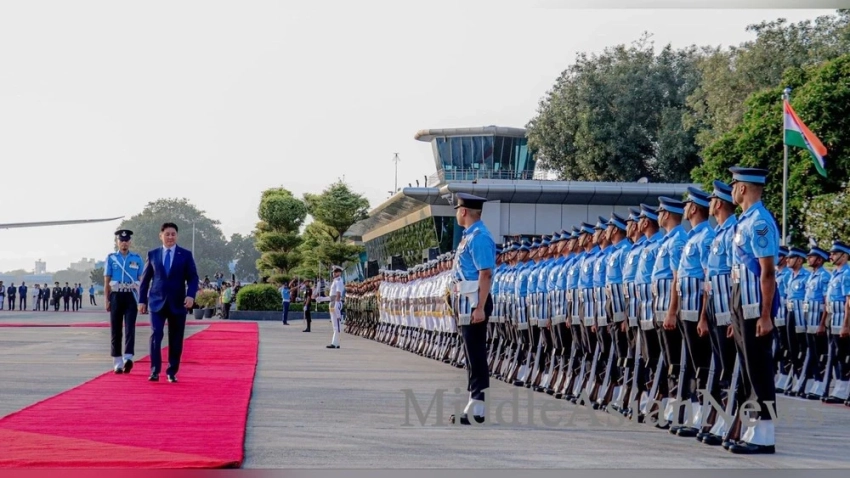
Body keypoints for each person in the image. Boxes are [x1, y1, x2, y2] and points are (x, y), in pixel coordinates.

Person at [726, 166, 779, 455]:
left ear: (743, 188)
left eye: (734, 184)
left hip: (755, 306)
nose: (732, 189)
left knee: (759, 371)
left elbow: (767, 273)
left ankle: (765, 435)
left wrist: (765, 314)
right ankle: (752, 430)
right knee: (748, 371)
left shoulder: (759, 222)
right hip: (741, 304)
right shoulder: (744, 221)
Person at [448, 193, 496, 426]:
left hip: (475, 302)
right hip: (466, 302)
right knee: (470, 355)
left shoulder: (479, 237)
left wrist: (479, 307)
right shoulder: (469, 236)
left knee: (476, 355)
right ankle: (473, 403)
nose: (457, 213)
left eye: (458, 209)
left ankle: (478, 407)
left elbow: (485, 273)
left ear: (464, 211)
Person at [138, 222, 200, 383]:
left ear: (177, 236)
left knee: (176, 338)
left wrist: (191, 295)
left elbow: (193, 277)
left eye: (173, 234)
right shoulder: (153, 254)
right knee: (156, 335)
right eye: (167, 234)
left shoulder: (185, 255)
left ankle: (172, 371)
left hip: (178, 303)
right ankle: (154, 371)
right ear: (161, 236)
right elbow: (145, 280)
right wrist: (141, 301)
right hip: (156, 303)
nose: (170, 237)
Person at [104, 229, 145, 374]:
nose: (124, 243)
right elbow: (107, 280)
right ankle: (117, 361)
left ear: (130, 242)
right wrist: (106, 299)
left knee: (130, 328)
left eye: (126, 241)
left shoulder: (137, 259)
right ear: (117, 242)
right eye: (121, 241)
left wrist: (143, 300)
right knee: (116, 330)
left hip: (131, 296)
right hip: (116, 295)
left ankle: (128, 357)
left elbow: (142, 280)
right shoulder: (111, 258)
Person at [328, 266, 345, 349]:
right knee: (334, 324)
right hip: (332, 302)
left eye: (336, 272)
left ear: (339, 273)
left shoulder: (338, 281)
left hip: (335, 303)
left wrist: (337, 304)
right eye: (333, 272)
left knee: (336, 325)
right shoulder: (335, 281)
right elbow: (332, 295)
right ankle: (336, 343)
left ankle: (334, 343)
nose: (334, 273)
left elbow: (338, 293)